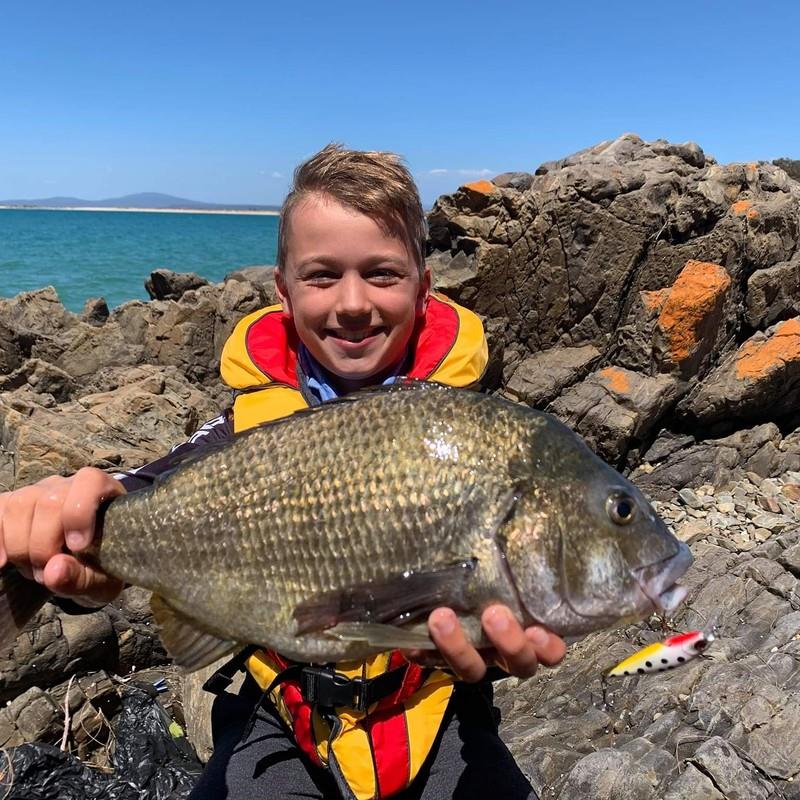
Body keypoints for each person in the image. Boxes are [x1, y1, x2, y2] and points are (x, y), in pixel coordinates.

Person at [0, 144, 566, 799]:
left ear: (423, 284)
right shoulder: (244, 426)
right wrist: (64, 536)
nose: (352, 302)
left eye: (382, 273)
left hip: (441, 718)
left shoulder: (474, 433)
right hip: (280, 718)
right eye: (322, 275)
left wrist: (504, 638)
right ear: (284, 290)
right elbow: (135, 500)